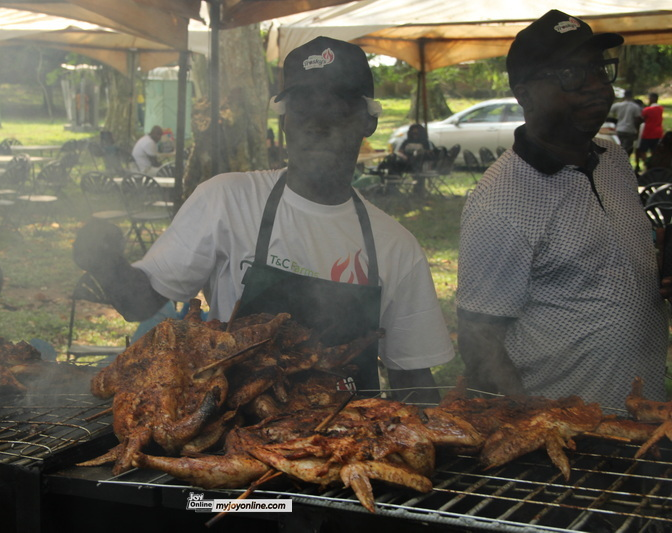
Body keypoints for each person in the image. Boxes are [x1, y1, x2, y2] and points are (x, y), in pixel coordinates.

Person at [74, 36, 455, 403]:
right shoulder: (226, 201)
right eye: (304, 109)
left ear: (367, 123)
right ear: (285, 120)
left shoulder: (397, 247)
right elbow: (139, 303)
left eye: (337, 109)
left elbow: (412, 376)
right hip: (236, 439)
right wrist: (105, 262)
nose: (318, 125)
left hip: (344, 445)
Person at [455, 10, 668, 413]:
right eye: (571, 74)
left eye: (599, 70)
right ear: (525, 94)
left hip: (645, 419)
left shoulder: (614, 160)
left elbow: (612, 264)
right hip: (573, 441)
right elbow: (479, 343)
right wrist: (533, 426)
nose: (597, 88)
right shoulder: (501, 202)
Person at [609, 89, 643, 156]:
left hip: (619, 129)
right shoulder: (635, 107)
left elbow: (609, 111)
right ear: (632, 96)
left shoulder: (618, 105)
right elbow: (637, 120)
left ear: (624, 96)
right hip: (630, 130)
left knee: (618, 148)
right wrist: (637, 131)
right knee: (627, 150)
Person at [636, 92, 664, 170]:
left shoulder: (648, 110)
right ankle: (654, 164)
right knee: (654, 151)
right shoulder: (660, 109)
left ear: (653, 99)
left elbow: (642, 118)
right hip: (658, 133)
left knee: (642, 150)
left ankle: (647, 163)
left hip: (648, 133)